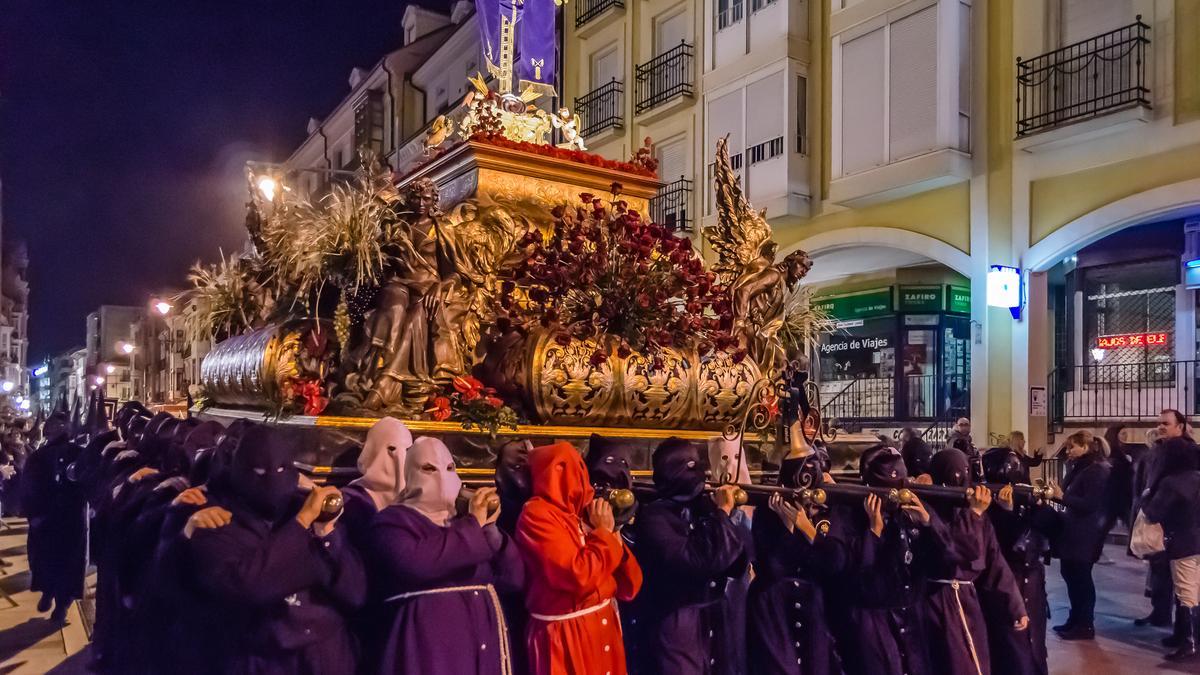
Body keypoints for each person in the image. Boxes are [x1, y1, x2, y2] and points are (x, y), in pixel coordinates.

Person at [186, 424, 366, 673]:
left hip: (324, 657)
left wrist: (326, 533)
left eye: (282, 469)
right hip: (263, 660)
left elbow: (354, 592)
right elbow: (248, 586)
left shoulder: (309, 513)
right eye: (259, 472)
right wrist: (301, 524)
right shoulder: (218, 521)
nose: (273, 480)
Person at [366, 436, 524, 674]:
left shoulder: (464, 523)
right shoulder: (392, 521)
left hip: (479, 640)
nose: (441, 476)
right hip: (429, 646)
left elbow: (512, 579)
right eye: (428, 468)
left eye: (450, 468)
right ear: (410, 473)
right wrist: (473, 524)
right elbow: (417, 563)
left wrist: (490, 529)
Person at [515, 441, 643, 675]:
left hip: (602, 625)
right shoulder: (536, 515)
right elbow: (578, 576)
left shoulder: (583, 513)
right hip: (565, 635)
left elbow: (630, 586)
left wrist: (614, 533)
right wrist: (604, 533)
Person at [632, 438, 749, 675]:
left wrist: (730, 517)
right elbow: (696, 560)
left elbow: (735, 563)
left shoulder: (703, 506)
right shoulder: (655, 517)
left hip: (715, 615)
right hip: (677, 620)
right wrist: (722, 514)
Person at [835, 445, 949, 675]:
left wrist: (929, 525)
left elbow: (945, 564)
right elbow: (855, 577)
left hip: (911, 616)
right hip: (872, 620)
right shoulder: (848, 515)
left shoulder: (913, 511)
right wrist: (873, 533)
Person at [747, 435, 847, 675]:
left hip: (813, 603)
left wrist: (805, 526)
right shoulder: (768, 511)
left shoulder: (830, 510)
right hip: (774, 607)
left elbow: (835, 561)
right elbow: (772, 565)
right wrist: (787, 526)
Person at [925, 448, 1029, 675]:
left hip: (966, 599)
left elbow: (994, 560)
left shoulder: (974, 512)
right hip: (937, 602)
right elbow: (957, 552)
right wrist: (974, 515)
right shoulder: (930, 511)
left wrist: (1014, 605)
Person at [983, 442, 1054, 675]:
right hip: (1008, 581)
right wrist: (1006, 512)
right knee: (1012, 647)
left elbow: (1051, 530)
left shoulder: (1027, 498)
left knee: (1034, 644)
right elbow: (1005, 545)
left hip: (1030, 579)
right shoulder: (988, 506)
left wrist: (1041, 507)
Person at [1132, 410, 1193, 631]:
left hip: (1175, 524)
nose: (1161, 427)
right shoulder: (1159, 451)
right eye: (1159, 423)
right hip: (1159, 520)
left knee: (1182, 581)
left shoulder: (1184, 452)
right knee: (1161, 572)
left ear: (1181, 427)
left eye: (1166, 423)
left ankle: (1185, 632)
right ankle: (1161, 614)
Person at [22, 412, 86, 623]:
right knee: (64, 561)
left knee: (52, 559)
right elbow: (29, 487)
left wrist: (33, 514)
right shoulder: (40, 457)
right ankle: (56, 599)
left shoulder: (76, 454)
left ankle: (58, 601)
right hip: (65, 520)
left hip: (56, 519)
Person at [1140, 436, 1200, 661]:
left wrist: (1146, 498)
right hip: (1197, 538)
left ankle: (1189, 642)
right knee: (1196, 591)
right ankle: (1186, 636)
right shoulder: (1197, 477)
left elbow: (1154, 512)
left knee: (1185, 592)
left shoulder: (1171, 482)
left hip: (1182, 542)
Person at [1048, 430, 1112, 640]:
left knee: (1081, 578)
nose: (1068, 451)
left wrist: (1062, 496)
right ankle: (1074, 618)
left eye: (1071, 447)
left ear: (1084, 447)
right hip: (1072, 530)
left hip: (1085, 533)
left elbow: (1090, 504)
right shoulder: (1078, 468)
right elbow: (1070, 498)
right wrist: (1055, 496)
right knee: (1070, 574)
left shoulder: (1096, 470)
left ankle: (1085, 623)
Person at [341, 417, 412, 547]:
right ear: (374, 449)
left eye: (407, 451)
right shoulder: (351, 500)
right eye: (392, 449)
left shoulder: (421, 496)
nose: (400, 458)